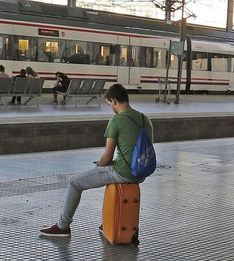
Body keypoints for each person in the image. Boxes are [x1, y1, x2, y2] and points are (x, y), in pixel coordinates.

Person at [40, 83, 151, 239]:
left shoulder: (117, 120)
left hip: (123, 172)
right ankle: (109, 224)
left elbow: (107, 157)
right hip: (141, 173)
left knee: (75, 183)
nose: (110, 107)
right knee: (107, 176)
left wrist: (99, 164)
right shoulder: (144, 119)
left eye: (109, 104)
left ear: (114, 101)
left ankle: (62, 226)